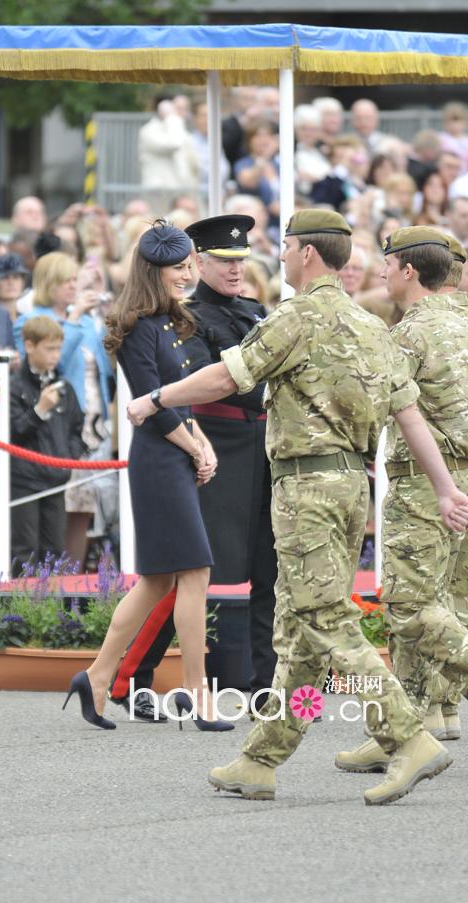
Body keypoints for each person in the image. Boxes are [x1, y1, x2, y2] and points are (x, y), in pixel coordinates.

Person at [127, 209, 468, 806]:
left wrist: (155, 399)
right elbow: (409, 412)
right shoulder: (370, 324)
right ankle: (262, 758)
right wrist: (443, 487)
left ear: (306, 253)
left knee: (325, 618)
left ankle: (405, 736)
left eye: (284, 248)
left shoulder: (294, 317)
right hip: (352, 486)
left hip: (307, 488)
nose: (278, 257)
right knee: (298, 630)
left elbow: (226, 378)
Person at [64, 220, 232, 732]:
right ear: (152, 271)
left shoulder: (169, 321)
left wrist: (202, 446)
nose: (187, 275)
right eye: (177, 268)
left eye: (188, 266)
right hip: (159, 459)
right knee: (195, 573)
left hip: (175, 453)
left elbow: (181, 399)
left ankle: (96, 677)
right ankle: (198, 693)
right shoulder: (136, 325)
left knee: (157, 580)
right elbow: (152, 407)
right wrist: (196, 448)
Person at [109, 215, 278, 720]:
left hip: (261, 444)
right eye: (224, 261)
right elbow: (217, 381)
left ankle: (266, 689)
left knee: (269, 571)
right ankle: (131, 677)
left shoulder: (255, 310)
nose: (235, 269)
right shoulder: (187, 317)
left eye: (241, 260)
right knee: (186, 573)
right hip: (212, 445)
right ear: (200, 263)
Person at [337, 229, 468, 773]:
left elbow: (377, 406)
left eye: (388, 264)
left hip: (426, 482)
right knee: (446, 600)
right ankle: (409, 727)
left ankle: (412, 723)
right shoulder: (463, 320)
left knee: (410, 605)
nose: (382, 273)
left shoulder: (409, 334)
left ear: (409, 271)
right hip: (457, 478)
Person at [10, 316, 85, 574]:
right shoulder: (13, 386)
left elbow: (77, 429)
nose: (55, 355)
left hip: (56, 479)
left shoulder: (65, 388)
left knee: (54, 552)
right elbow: (11, 434)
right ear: (29, 346)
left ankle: (53, 601)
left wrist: (68, 458)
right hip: (24, 483)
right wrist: (39, 410)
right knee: (25, 552)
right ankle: (21, 601)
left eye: (58, 349)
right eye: (49, 349)